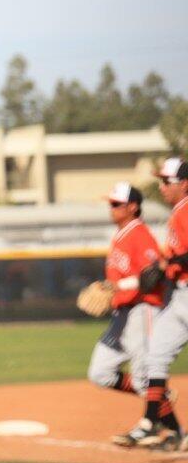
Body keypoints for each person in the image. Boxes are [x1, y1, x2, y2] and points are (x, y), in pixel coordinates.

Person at [78, 183, 164, 445]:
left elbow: (154, 276)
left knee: (143, 377)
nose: (111, 208)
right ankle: (160, 401)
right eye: (111, 203)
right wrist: (110, 289)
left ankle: (163, 426)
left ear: (133, 207)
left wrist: (119, 287)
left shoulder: (140, 235)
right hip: (121, 315)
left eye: (116, 204)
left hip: (141, 311)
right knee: (100, 372)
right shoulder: (121, 234)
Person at [119, 159, 188, 450]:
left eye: (167, 182)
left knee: (154, 354)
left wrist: (167, 263)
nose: (161, 187)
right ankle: (151, 422)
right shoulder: (178, 212)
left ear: (184, 184)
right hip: (180, 295)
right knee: (155, 355)